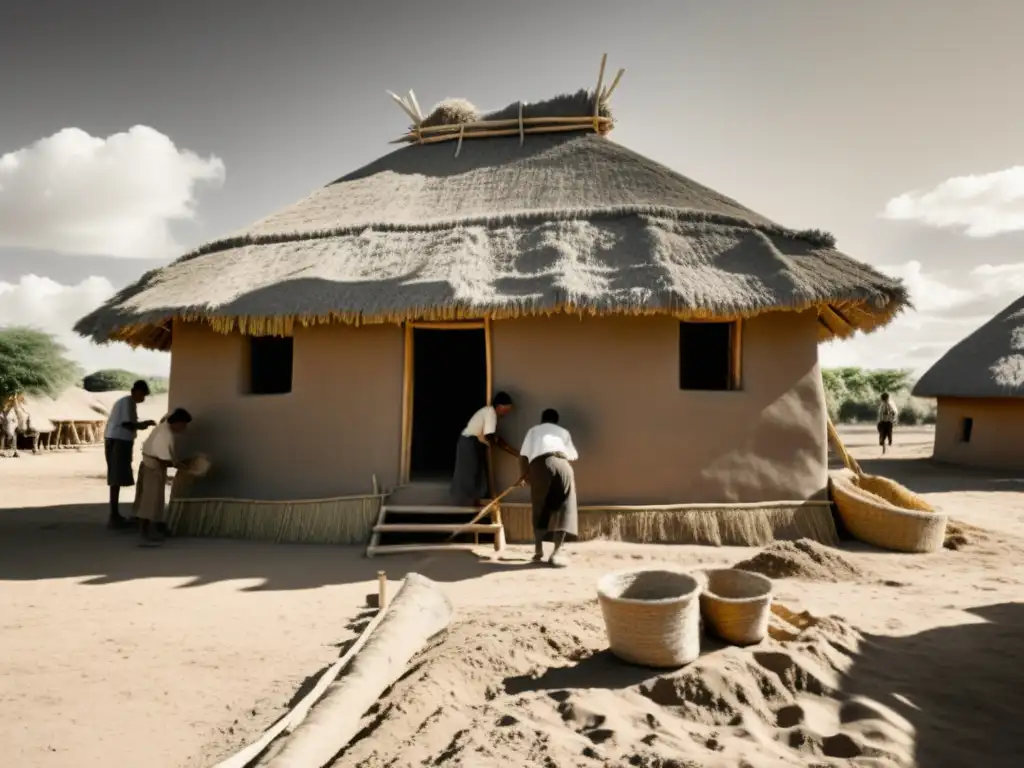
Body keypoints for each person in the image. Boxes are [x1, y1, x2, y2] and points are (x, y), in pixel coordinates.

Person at [518, 408, 579, 568]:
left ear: (542, 420)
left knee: (539, 506)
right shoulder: (563, 432)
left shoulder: (533, 431)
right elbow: (573, 455)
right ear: (556, 421)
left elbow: (523, 455)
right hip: (563, 464)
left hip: (540, 465)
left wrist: (524, 475)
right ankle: (556, 553)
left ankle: (538, 550)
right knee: (565, 507)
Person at [133, 408, 192, 546]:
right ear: (177, 423)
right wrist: (180, 465)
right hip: (153, 466)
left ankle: (151, 529)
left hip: (152, 464)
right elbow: (164, 459)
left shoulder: (164, 425)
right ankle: (146, 532)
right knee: (151, 500)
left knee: (152, 499)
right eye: (183, 425)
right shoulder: (165, 435)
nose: (184, 428)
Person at [103, 380, 156, 528]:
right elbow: (127, 423)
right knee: (116, 477)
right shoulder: (128, 402)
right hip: (118, 440)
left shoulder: (128, 403)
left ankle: (115, 515)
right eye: (143, 395)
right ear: (136, 391)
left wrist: (141, 424)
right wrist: (143, 425)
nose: (143, 399)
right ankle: (113, 516)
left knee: (117, 477)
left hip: (120, 440)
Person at [451, 391, 517, 506]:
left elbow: (492, 437)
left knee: (477, 474)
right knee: (470, 474)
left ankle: (475, 502)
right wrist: (509, 450)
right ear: (499, 406)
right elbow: (490, 436)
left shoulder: (489, 413)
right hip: (469, 442)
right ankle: (467, 505)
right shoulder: (491, 413)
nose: (506, 413)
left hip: (474, 443)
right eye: (506, 409)